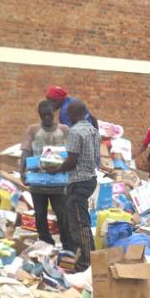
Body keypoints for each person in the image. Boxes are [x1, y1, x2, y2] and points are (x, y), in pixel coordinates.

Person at [45, 100, 100, 271]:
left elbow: (72, 160)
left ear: (74, 114)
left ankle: (86, 262)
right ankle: (87, 257)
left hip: (78, 182)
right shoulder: (93, 130)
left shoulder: (75, 132)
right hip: (90, 179)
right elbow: (96, 157)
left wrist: (56, 169)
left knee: (78, 222)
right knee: (80, 219)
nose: (67, 116)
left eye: (69, 113)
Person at [21, 101, 70, 246]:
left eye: (50, 115)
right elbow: (26, 151)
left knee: (62, 214)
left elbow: (72, 152)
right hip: (38, 181)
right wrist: (22, 171)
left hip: (59, 182)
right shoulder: (33, 130)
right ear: (40, 116)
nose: (47, 118)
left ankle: (66, 243)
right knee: (40, 214)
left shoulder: (64, 130)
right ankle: (45, 242)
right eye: (44, 116)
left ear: (54, 114)